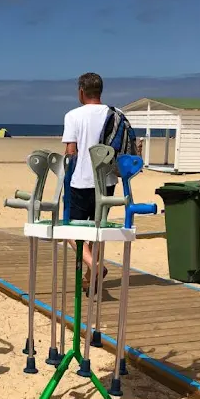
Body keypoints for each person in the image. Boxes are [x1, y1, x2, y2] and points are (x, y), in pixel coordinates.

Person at [62, 72, 117, 293]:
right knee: (97, 229)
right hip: (108, 180)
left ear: (81, 92)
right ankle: (89, 278)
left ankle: (94, 266)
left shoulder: (73, 116)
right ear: (100, 91)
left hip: (81, 180)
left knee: (70, 230)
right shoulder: (116, 114)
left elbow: (70, 151)